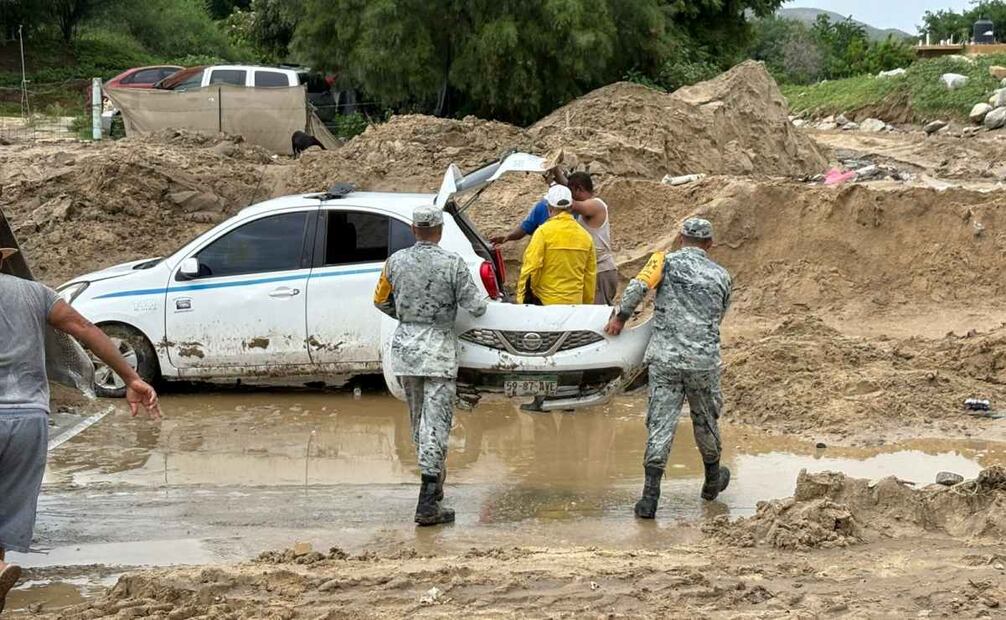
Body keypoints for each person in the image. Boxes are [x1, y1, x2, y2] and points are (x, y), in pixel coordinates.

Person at [0, 247, 161, 612]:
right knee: (6, 510)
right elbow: (85, 330)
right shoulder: (36, 293)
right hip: (29, 420)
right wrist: (131, 378)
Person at [604, 218, 732, 519]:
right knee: (706, 421)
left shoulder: (664, 262)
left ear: (681, 239)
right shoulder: (722, 275)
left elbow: (637, 288)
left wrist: (620, 318)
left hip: (665, 360)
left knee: (661, 423)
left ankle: (649, 499)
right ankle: (712, 482)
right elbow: (720, 314)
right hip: (703, 361)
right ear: (710, 245)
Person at [373, 206, 488, 526]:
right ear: (439, 231)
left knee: (417, 423)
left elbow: (379, 300)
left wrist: (409, 319)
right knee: (436, 426)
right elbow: (476, 307)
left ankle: (433, 490)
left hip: (406, 352)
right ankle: (427, 502)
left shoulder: (394, 262)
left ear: (414, 229)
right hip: (438, 352)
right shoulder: (453, 264)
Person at [515, 185, 596, 305]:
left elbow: (531, 268)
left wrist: (522, 299)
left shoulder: (543, 233)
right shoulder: (586, 237)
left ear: (549, 207)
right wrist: (586, 305)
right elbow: (589, 277)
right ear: (571, 207)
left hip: (547, 304)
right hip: (575, 305)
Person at [564, 171, 618, 305]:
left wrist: (554, 186)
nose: (571, 197)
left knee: (598, 319)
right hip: (597, 271)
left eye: (571, 192)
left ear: (579, 189)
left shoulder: (596, 205)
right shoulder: (588, 208)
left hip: (601, 271)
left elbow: (568, 203)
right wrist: (555, 173)